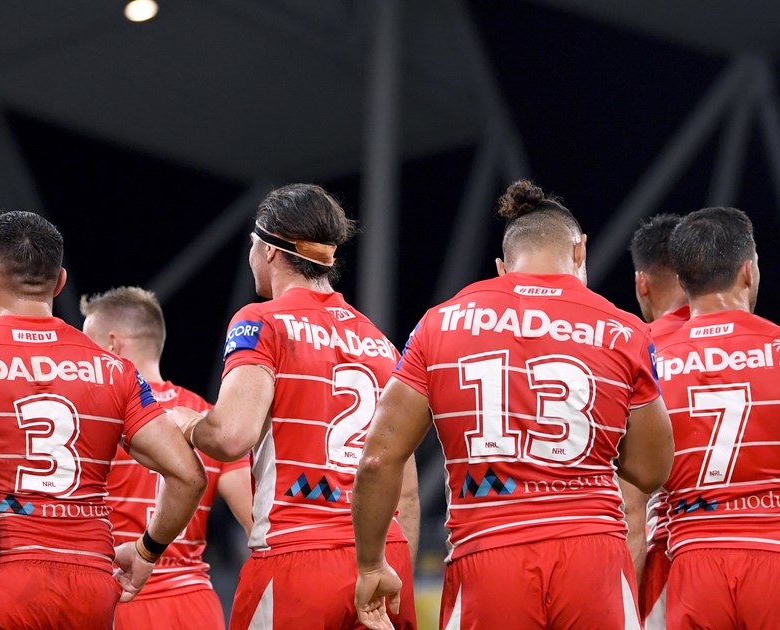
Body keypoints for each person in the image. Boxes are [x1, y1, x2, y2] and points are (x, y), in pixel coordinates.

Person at [350, 180, 672, 630]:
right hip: (592, 558)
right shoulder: (625, 330)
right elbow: (653, 470)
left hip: (486, 554)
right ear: (580, 250)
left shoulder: (439, 323)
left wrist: (370, 565)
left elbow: (378, 459)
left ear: (503, 267)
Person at [179, 183, 420, 630]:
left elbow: (231, 436)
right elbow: (404, 488)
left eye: (252, 244)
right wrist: (393, 566)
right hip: (385, 558)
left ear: (270, 250)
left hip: (298, 556)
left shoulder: (261, 320)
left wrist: (186, 423)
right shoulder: (382, 344)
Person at [0, 212, 207, 629]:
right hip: (89, 591)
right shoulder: (114, 369)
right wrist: (147, 551)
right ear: (60, 282)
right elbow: (188, 476)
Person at [651, 207, 780, 629]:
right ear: (749, 271)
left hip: (693, 566)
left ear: (683, 282)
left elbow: (633, 497)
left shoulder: (651, 365)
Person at [82, 286, 255, 629]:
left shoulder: (96, 416)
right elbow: (257, 521)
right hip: (194, 605)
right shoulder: (207, 420)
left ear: (113, 345)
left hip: (121, 596)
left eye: (90, 347)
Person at [626, 213, 686, 629]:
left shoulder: (634, 352)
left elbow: (630, 508)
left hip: (676, 565)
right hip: (776, 558)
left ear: (641, 283)